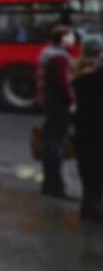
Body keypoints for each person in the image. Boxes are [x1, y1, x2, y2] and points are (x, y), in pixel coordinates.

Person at [36, 23, 76, 200]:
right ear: (62, 38)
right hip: (59, 105)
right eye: (70, 35)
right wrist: (72, 102)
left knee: (50, 143)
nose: (73, 38)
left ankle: (48, 184)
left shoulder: (47, 52)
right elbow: (63, 84)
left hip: (50, 103)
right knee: (57, 145)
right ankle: (56, 186)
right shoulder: (60, 57)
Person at [71, 34, 103, 222]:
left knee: (88, 173)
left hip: (83, 130)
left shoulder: (78, 74)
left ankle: (88, 208)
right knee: (97, 173)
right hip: (97, 131)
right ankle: (94, 210)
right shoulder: (96, 79)